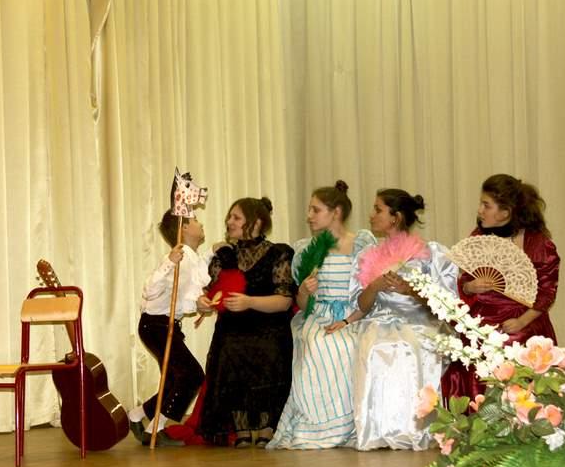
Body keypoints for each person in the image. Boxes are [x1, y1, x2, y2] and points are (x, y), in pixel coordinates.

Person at [267, 181, 375, 449]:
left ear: (336, 212)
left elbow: (369, 292)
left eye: (316, 210)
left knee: (351, 345)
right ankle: (318, 425)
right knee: (319, 343)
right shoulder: (308, 249)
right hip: (320, 315)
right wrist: (304, 290)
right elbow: (304, 305)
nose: (309, 216)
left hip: (355, 314)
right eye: (310, 210)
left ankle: (352, 425)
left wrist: (350, 318)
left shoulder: (360, 244)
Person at [347, 189, 458, 451]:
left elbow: (444, 302)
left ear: (395, 217)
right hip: (379, 319)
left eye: (378, 210)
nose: (372, 215)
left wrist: (410, 290)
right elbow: (361, 305)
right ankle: (377, 429)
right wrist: (374, 286)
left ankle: (414, 428)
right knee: (375, 345)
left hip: (420, 319)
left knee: (410, 344)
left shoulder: (430, 254)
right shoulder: (367, 255)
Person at [441, 174, 560, 401]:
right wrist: (470, 287)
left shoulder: (539, 245)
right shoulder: (478, 237)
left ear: (505, 212)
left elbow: (546, 294)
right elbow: (463, 280)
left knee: (515, 342)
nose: (479, 211)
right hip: (480, 314)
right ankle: (476, 413)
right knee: (471, 345)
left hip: (524, 317)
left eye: (486, 205)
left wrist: (521, 322)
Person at [196, 197, 295, 448]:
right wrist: (202, 302)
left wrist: (249, 302)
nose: (229, 221)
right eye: (229, 217)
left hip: (269, 326)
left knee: (267, 348)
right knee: (230, 346)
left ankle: (265, 427)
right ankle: (241, 427)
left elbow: (284, 301)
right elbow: (209, 291)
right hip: (233, 329)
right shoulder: (224, 255)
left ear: (257, 222)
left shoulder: (279, 252)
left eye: (236, 217)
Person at [128, 209, 210, 446]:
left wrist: (200, 304)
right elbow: (150, 291)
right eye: (195, 220)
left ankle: (137, 415)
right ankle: (155, 428)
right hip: (156, 325)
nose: (200, 223)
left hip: (165, 324)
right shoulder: (178, 258)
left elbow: (185, 300)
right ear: (183, 228)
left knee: (176, 379)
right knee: (192, 375)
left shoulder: (192, 259)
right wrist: (168, 263)